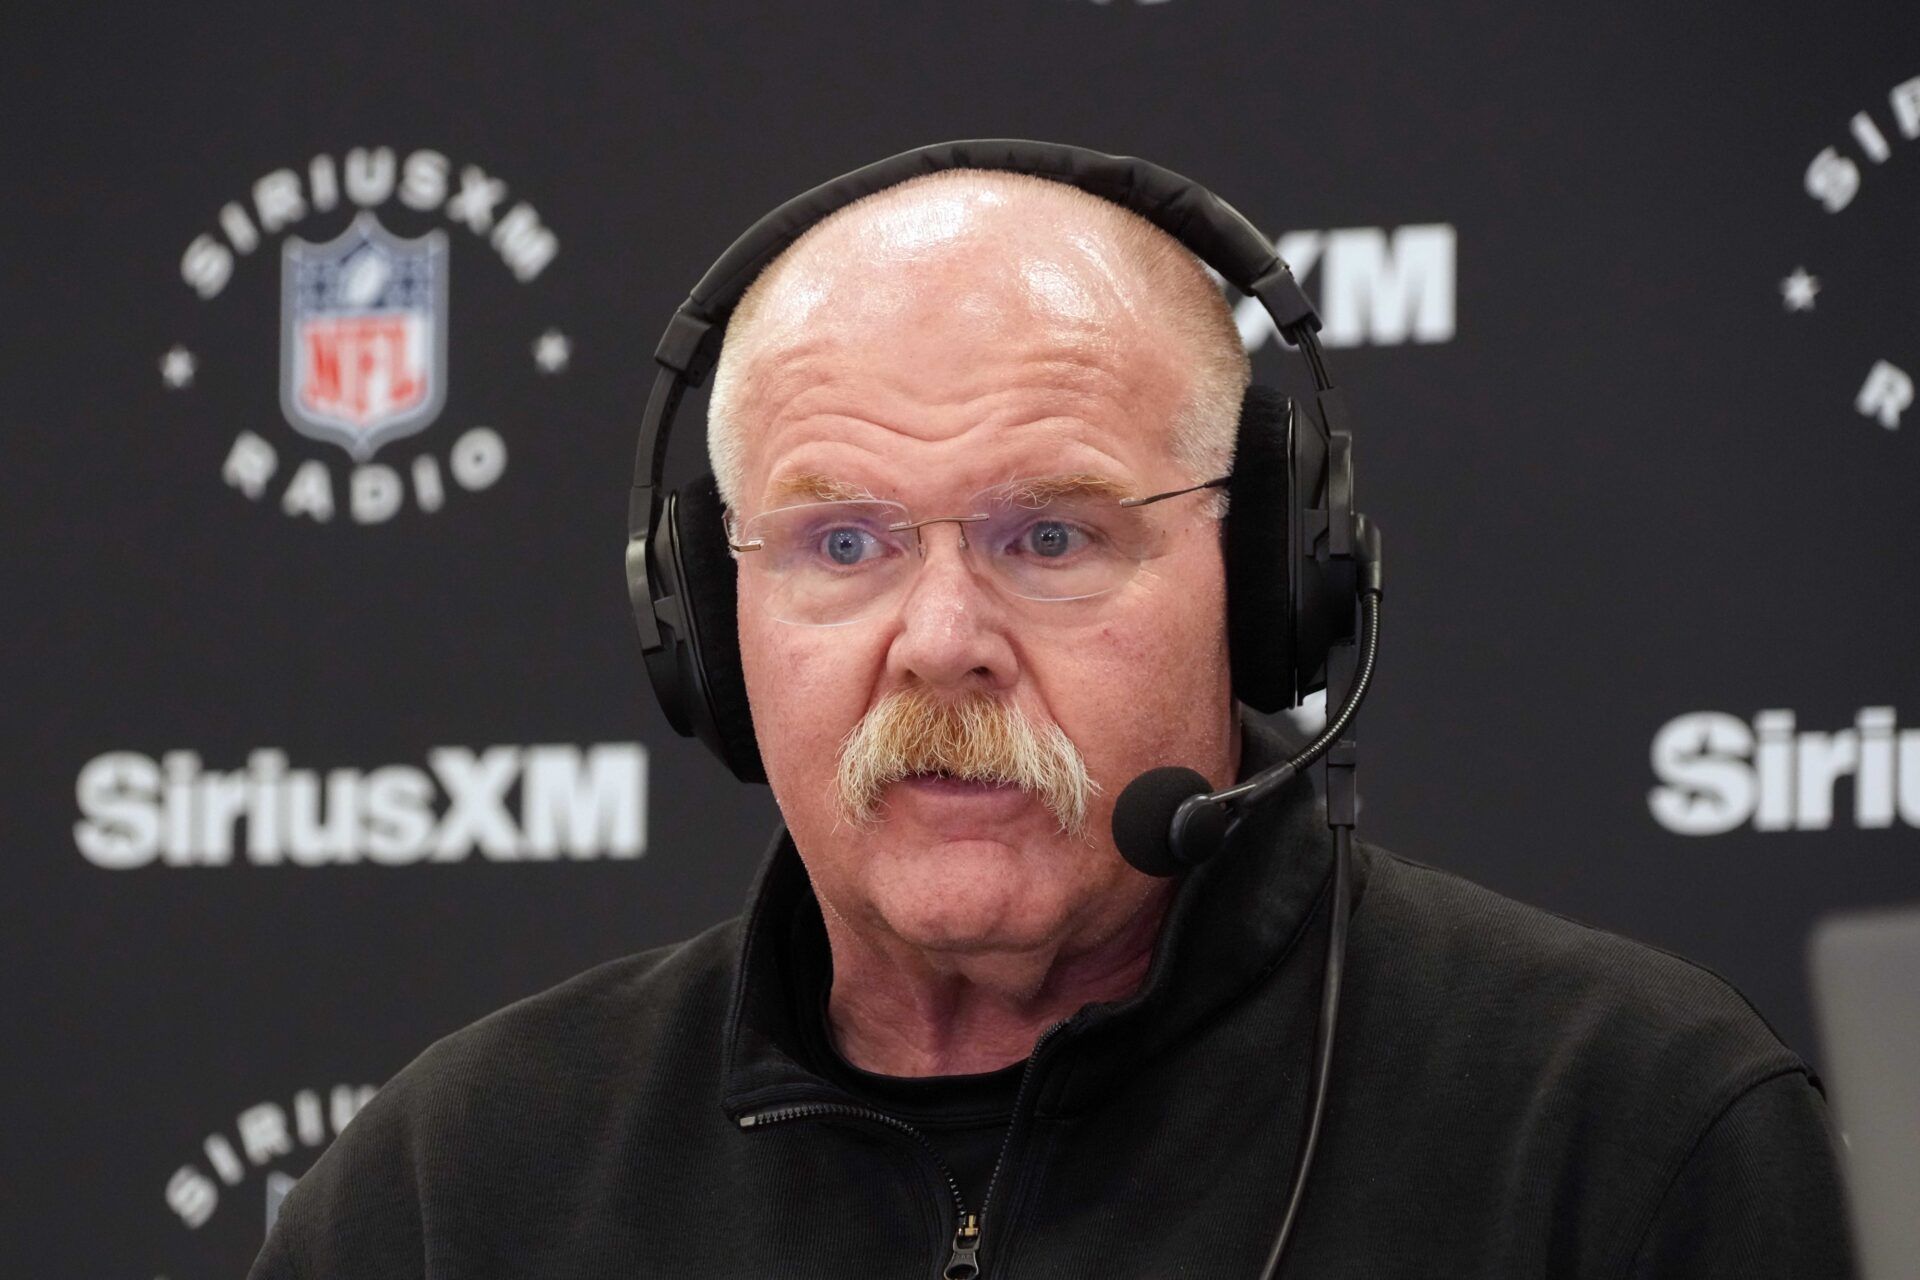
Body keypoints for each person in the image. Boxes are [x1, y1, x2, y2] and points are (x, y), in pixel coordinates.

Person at [251, 161, 1855, 1279]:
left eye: (1051, 537)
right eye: (843, 544)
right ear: (702, 617)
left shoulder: (1618, 1128)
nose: (941, 642)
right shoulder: (449, 1193)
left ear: (1259, 579)